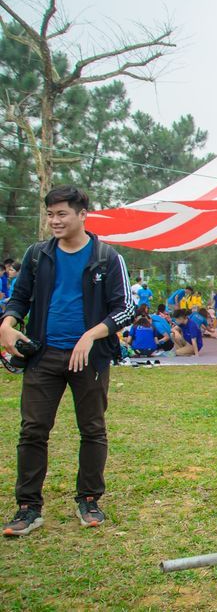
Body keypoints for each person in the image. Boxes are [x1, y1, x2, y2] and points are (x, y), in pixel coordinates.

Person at [1, 185, 135, 536]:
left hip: (90, 359)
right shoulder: (37, 255)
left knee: (92, 429)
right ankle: (28, 507)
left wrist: (91, 336)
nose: (54, 221)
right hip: (43, 356)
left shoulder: (107, 257)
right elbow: (19, 298)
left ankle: (89, 499)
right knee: (32, 430)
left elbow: (125, 309)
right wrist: (7, 324)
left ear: (82, 215)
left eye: (62, 214)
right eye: (50, 214)